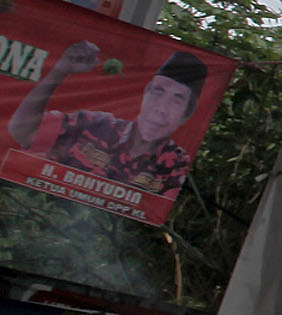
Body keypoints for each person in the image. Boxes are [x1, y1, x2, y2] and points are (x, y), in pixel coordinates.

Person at [9, 41, 206, 198]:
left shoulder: (174, 162)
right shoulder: (94, 124)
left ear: (186, 115)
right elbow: (22, 132)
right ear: (144, 96)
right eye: (158, 92)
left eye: (177, 100)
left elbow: (149, 215)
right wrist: (60, 70)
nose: (160, 108)